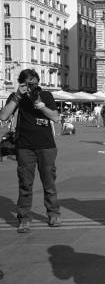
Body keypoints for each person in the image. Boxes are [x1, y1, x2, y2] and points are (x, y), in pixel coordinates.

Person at [0, 69, 61, 233]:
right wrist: (18, 96)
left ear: (38, 82)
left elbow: (55, 117)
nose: (30, 86)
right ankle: (24, 218)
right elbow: (4, 116)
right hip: (25, 146)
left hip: (46, 146)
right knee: (25, 184)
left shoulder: (46, 95)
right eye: (27, 83)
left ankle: (53, 214)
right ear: (21, 83)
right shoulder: (16, 97)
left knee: (49, 182)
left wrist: (41, 107)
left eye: (33, 82)